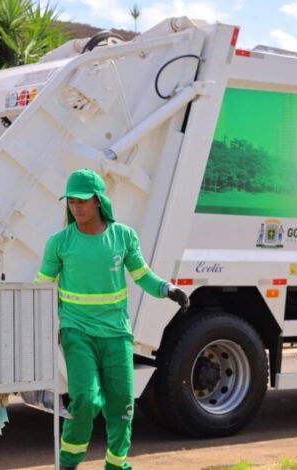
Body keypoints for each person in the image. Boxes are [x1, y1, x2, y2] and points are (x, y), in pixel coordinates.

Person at [35, 169, 188, 470]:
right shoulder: (59, 242)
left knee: (122, 407)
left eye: (82, 201)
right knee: (86, 401)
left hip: (117, 333)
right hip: (77, 332)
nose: (76, 207)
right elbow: (41, 287)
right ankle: (68, 464)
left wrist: (168, 289)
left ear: (98, 201)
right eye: (71, 201)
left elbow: (142, 275)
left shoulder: (124, 236)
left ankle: (116, 465)